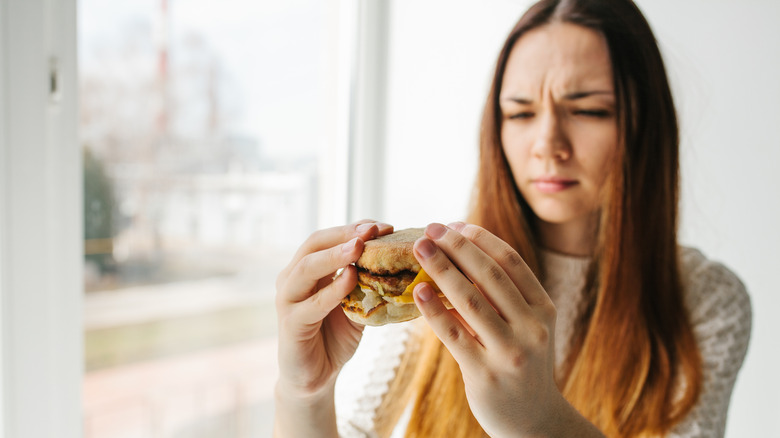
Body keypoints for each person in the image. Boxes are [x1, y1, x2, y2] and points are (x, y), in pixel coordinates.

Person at [274, 0, 752, 436]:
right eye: (520, 114)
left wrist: (539, 419)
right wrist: (305, 393)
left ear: (644, 123)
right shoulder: (434, 277)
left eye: (587, 110)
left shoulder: (706, 301)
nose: (548, 144)